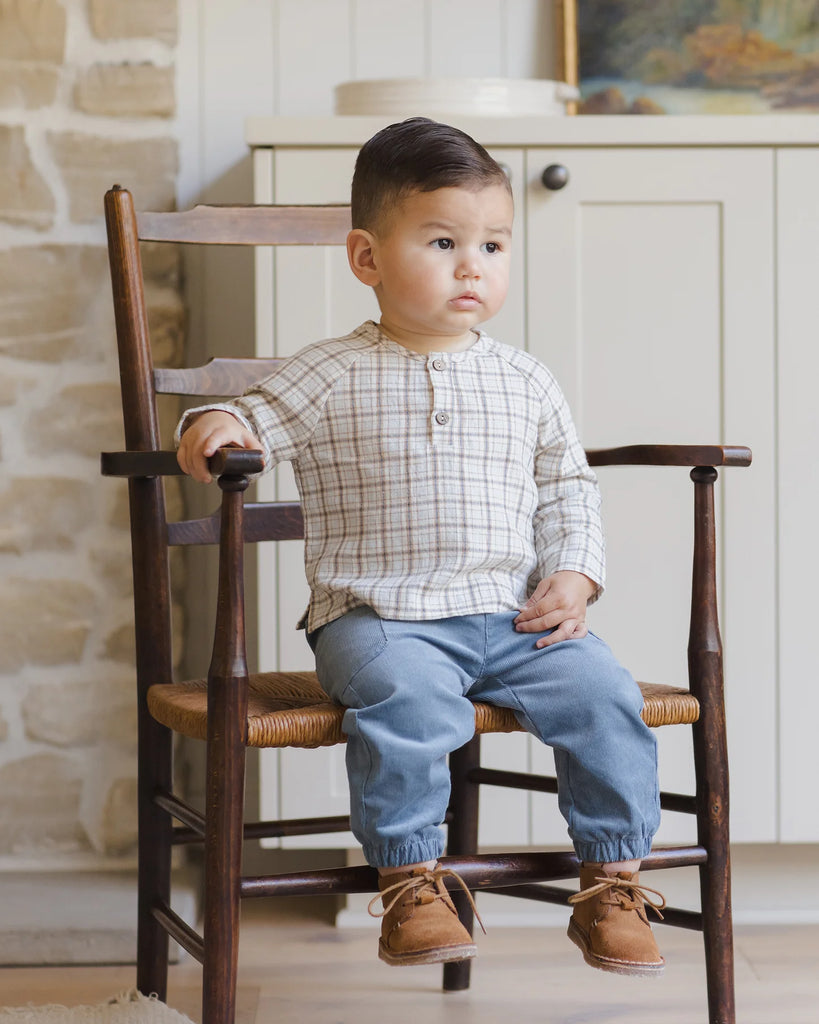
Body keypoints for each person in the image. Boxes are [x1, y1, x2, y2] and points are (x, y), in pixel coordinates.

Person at [176, 117, 665, 977]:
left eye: (492, 244)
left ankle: (611, 884)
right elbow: (255, 416)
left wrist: (575, 573)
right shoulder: (330, 371)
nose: (472, 264)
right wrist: (213, 420)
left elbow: (566, 488)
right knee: (406, 702)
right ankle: (410, 883)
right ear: (367, 257)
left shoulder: (525, 379)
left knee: (603, 695)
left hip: (512, 618)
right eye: (442, 241)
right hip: (379, 616)